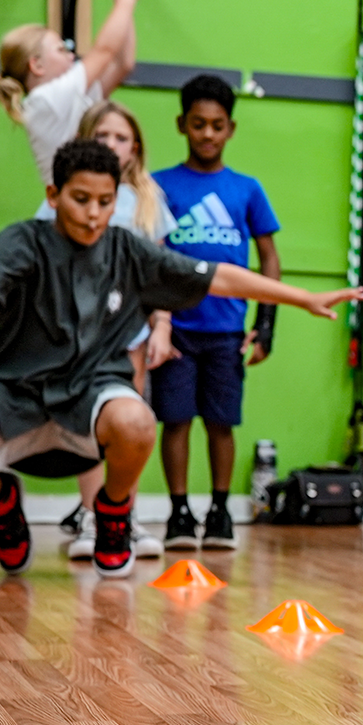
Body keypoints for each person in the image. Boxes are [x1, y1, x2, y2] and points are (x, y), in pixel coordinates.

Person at [0, 140, 362, 578]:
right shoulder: (22, 242)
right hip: (16, 394)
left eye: (105, 202)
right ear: (54, 196)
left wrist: (302, 298)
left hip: (92, 395)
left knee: (140, 420)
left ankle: (112, 512)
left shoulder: (129, 251)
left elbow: (218, 276)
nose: (93, 213)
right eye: (80, 199)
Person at [38, 100, 178, 562]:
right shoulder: (61, 195)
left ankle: (124, 518)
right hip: (76, 332)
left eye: (121, 138)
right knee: (85, 425)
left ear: (135, 149)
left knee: (129, 424)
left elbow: (161, 275)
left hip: (130, 332)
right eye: (102, 137)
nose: (112, 145)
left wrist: (162, 326)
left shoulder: (148, 198)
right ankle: (92, 518)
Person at [152, 75, 282, 551]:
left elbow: (270, 259)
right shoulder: (160, 186)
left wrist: (266, 324)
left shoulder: (246, 190)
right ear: (182, 124)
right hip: (176, 329)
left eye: (218, 126)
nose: (207, 134)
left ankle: (220, 511)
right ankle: (180, 512)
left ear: (231, 129)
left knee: (221, 422)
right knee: (176, 420)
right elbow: (150, 253)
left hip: (226, 331)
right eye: (198, 124)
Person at [0, 0, 143, 186]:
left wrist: (123, 3)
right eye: (61, 49)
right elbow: (104, 51)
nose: (71, 56)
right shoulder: (46, 99)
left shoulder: (70, 97)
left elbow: (123, 64)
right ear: (37, 65)